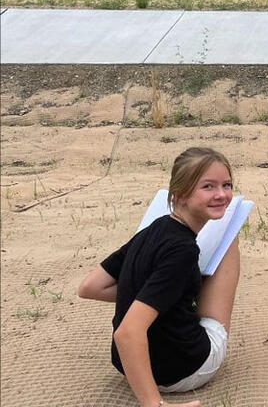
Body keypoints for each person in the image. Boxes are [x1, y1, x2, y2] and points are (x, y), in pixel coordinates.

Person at [78, 147, 241, 407]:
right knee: (229, 236)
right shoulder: (183, 250)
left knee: (166, 295)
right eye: (208, 186)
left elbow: (90, 287)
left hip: (127, 367)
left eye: (227, 185)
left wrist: (159, 296)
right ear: (180, 193)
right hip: (179, 370)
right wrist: (154, 404)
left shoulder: (152, 229)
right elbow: (127, 333)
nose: (221, 194)